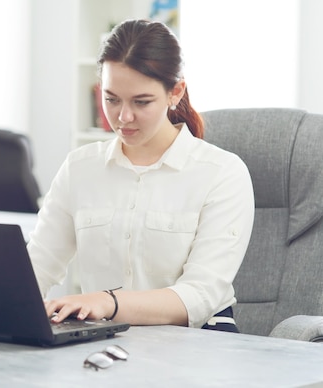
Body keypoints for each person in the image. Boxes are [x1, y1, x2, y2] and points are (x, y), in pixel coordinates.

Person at [26, 19, 255, 332]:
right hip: (105, 345)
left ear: (175, 92)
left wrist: (108, 302)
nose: (123, 117)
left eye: (141, 102)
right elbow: (37, 265)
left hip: (197, 347)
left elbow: (200, 295)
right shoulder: (80, 169)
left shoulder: (222, 174)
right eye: (111, 99)